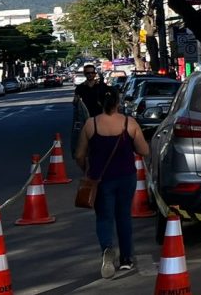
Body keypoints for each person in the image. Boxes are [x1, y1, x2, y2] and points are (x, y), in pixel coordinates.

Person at [74, 90, 150, 278]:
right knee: (123, 216)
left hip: (100, 179)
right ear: (118, 102)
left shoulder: (90, 125)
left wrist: (87, 170)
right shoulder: (129, 123)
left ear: (100, 103)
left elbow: (79, 154)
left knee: (104, 218)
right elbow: (144, 150)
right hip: (126, 177)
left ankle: (107, 249)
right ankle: (126, 259)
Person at [72, 64, 112, 152]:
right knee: (88, 145)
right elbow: (75, 104)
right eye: (87, 73)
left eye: (92, 72)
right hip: (86, 120)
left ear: (95, 74)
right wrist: (76, 100)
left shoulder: (102, 86)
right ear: (84, 74)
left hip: (101, 119)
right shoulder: (80, 88)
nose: (90, 74)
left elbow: (111, 99)